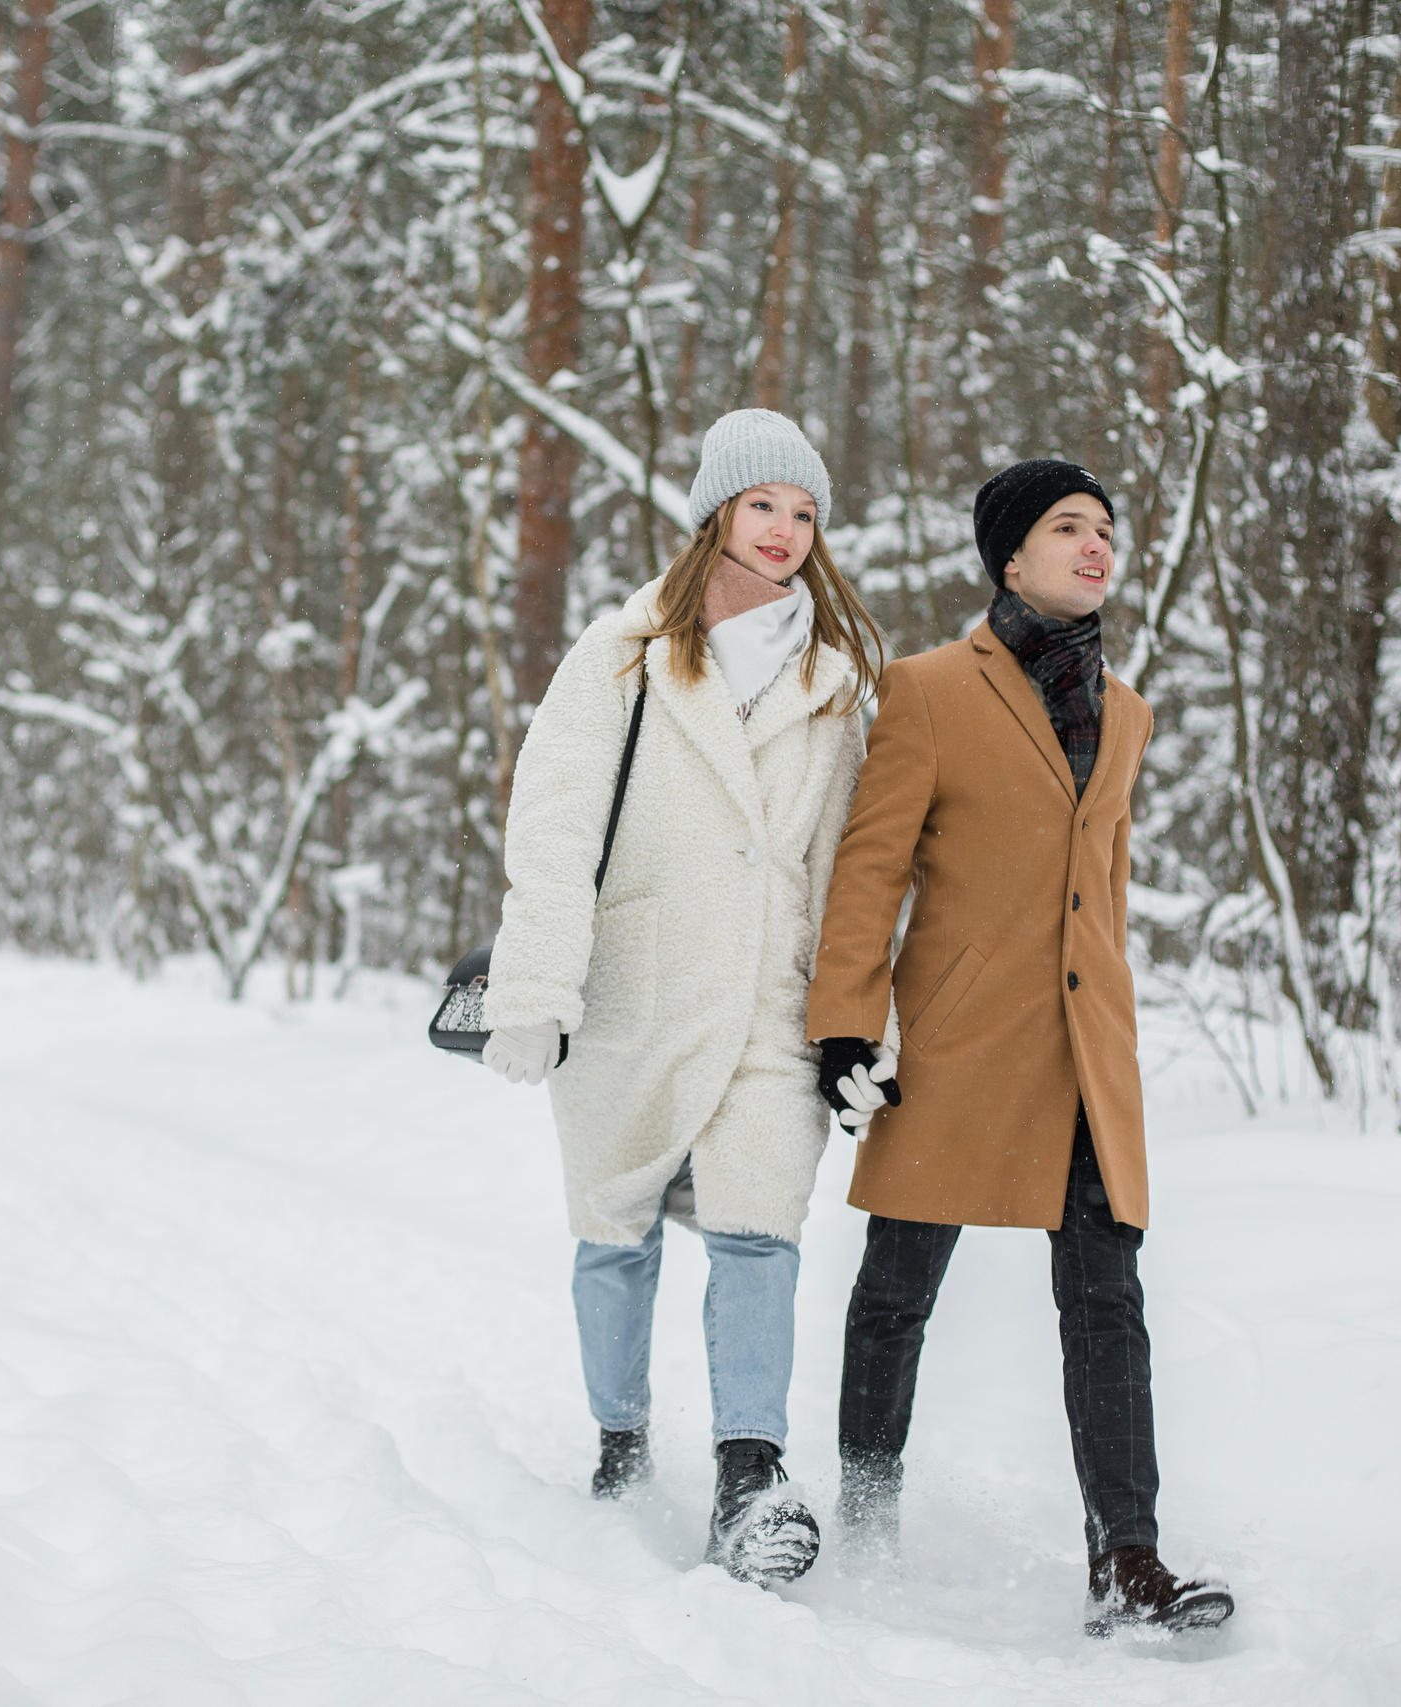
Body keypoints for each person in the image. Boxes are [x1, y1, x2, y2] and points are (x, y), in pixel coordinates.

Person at [804, 458, 1235, 1636]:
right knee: (897, 1294)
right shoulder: (932, 689)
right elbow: (870, 867)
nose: (1097, 545)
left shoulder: (1128, 710)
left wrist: (1118, 1027)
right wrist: (846, 1015)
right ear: (1010, 555)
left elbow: (1105, 888)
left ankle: (1126, 1561)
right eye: (1067, 527)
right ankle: (868, 1521)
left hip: (1084, 1055)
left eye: (1106, 528)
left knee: (1108, 1303)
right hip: (956, 1043)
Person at [479, 409, 884, 1587]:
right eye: (765, 505)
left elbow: (851, 875)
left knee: (762, 1231)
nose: (785, 532)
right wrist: (538, 988)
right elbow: (552, 827)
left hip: (770, 1001)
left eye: (805, 514)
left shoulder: (833, 686)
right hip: (630, 993)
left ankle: (749, 1481)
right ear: (716, 512)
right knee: (616, 1229)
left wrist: (863, 1021)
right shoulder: (620, 655)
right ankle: (617, 1444)